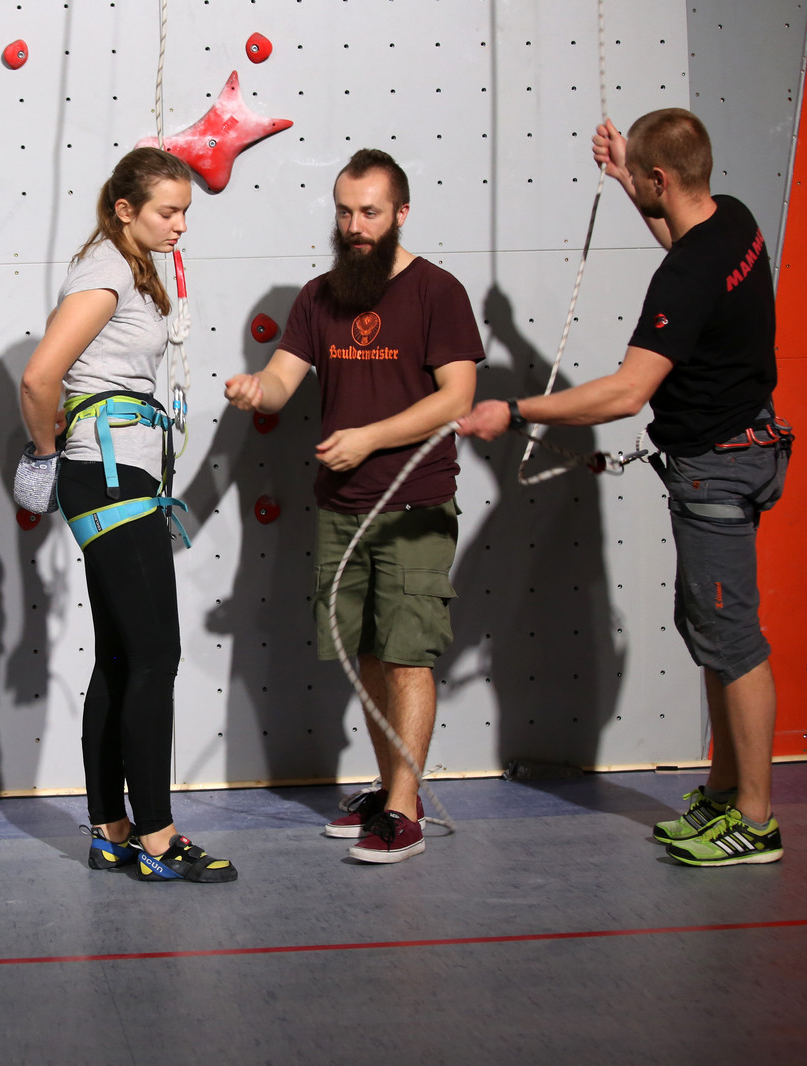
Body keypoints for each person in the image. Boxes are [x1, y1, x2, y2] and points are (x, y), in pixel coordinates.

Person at [459, 109, 788, 867]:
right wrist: (622, 178)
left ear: (660, 179)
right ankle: (725, 793)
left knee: (733, 642)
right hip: (743, 449)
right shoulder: (731, 221)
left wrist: (515, 410)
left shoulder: (688, 271)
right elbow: (685, 252)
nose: (633, 184)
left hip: (717, 467)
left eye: (638, 176)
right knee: (713, 635)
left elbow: (628, 392)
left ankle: (757, 820)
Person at [224, 149, 482, 864]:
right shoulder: (320, 296)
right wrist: (255, 391)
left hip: (414, 505)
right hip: (342, 507)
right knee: (366, 652)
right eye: (345, 212)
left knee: (407, 656)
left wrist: (370, 438)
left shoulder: (438, 291)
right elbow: (282, 381)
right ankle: (393, 789)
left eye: (370, 212)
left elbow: (457, 397)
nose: (355, 226)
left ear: (401, 213)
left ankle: (403, 811)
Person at [18, 147, 235, 883]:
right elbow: (40, 378)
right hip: (108, 477)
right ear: (125, 209)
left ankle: (112, 831)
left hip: (118, 474)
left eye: (185, 213)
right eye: (168, 212)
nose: (180, 226)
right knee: (154, 656)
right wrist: (45, 455)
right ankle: (158, 838)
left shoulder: (125, 266)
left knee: (121, 656)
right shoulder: (107, 273)